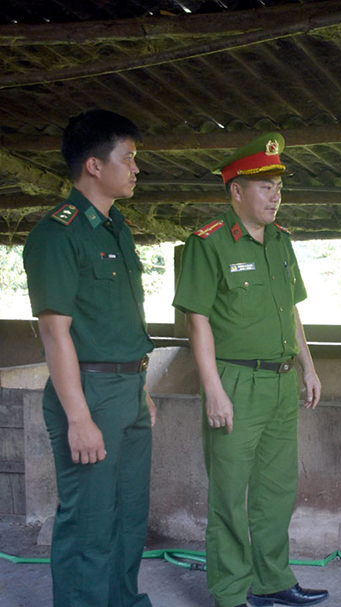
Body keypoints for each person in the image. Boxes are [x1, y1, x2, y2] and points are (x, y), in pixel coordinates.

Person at [172, 133, 328, 607]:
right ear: (235, 190)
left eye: (278, 186)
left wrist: (309, 367)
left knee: (277, 489)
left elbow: (292, 312)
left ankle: (272, 580)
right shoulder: (209, 243)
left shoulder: (281, 242)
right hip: (235, 380)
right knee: (229, 494)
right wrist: (213, 389)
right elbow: (197, 322)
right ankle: (230, 593)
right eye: (264, 186)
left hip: (281, 381)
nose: (275, 195)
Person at [23, 109, 156, 607]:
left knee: (127, 515)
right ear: (95, 166)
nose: (136, 168)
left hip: (129, 391)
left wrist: (141, 390)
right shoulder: (58, 234)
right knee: (88, 522)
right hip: (89, 393)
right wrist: (78, 417)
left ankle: (124, 601)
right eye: (129, 158)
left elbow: (118, 322)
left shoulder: (115, 228)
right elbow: (56, 334)